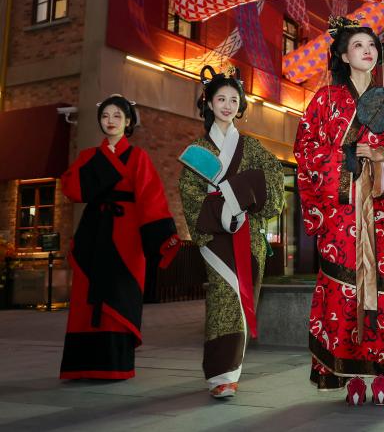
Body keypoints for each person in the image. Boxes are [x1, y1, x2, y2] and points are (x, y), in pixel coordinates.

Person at [294, 16, 384, 406]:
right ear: (344, 56)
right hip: (342, 215)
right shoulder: (325, 100)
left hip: (381, 214)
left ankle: (382, 374)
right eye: (358, 45)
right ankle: (350, 375)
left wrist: (379, 155)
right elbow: (306, 152)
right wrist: (346, 154)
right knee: (343, 293)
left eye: (372, 45)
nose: (367, 51)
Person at [178, 66, 283, 398]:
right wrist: (225, 207)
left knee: (240, 299)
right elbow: (190, 193)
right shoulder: (198, 149)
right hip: (215, 236)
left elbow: (272, 179)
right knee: (222, 298)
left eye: (233, 100)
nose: (227, 105)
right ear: (209, 103)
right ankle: (221, 375)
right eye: (220, 99)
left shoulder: (251, 147)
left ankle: (230, 371)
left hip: (247, 233)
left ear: (240, 107)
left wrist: (240, 194)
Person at [60, 94, 180, 380]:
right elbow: (72, 189)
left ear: (128, 122)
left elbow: (151, 199)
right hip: (93, 234)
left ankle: (115, 366)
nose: (110, 121)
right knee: (86, 298)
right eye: (105, 116)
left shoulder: (138, 157)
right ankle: (83, 366)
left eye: (117, 116)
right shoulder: (88, 156)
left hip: (127, 237)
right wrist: (102, 163)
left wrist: (163, 237)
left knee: (121, 293)